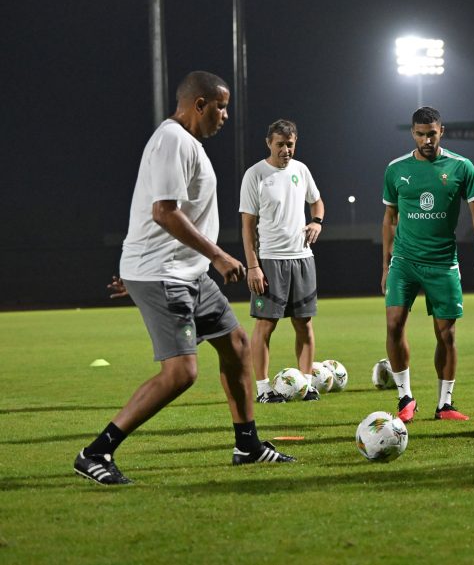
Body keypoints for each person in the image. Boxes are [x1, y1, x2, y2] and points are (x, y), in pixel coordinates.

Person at [74, 71, 293, 486]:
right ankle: (95, 451)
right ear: (199, 105)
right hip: (167, 273)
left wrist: (142, 269)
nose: (225, 116)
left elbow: (154, 213)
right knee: (181, 373)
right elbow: (164, 211)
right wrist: (218, 256)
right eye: (221, 106)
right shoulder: (173, 139)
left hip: (179, 270)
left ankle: (247, 446)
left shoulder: (184, 141)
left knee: (236, 345)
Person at [381, 106, 474, 422]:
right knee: (393, 324)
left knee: (447, 335)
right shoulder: (396, 169)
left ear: (441, 131)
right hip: (404, 260)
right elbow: (389, 219)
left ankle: (445, 404)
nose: (427, 139)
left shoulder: (461, 167)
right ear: (413, 134)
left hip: (443, 263)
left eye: (432, 133)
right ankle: (405, 398)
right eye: (420, 134)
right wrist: (385, 265)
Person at [240, 119, 325, 403]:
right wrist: (253, 265)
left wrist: (316, 221)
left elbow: (317, 201)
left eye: (290, 144)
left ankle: (307, 384)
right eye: (280, 145)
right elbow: (247, 226)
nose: (286, 150)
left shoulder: (301, 170)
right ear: (269, 143)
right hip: (270, 261)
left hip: (302, 258)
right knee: (266, 325)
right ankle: (264, 389)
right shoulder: (255, 175)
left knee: (304, 324)